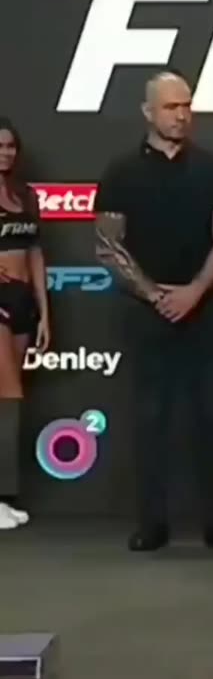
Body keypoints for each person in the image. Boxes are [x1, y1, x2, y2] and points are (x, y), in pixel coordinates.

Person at [95, 71, 213, 551]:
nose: (181, 115)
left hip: (205, 307)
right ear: (148, 112)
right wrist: (156, 295)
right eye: (171, 107)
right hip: (145, 310)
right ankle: (152, 523)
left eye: (186, 106)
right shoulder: (121, 172)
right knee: (150, 418)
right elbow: (108, 246)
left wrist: (194, 291)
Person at [0, 118, 50, 529]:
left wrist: (44, 311)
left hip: (22, 301)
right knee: (8, 394)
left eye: (10, 147)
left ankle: (4, 497)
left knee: (8, 394)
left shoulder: (26, 195)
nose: (5, 153)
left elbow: (35, 253)